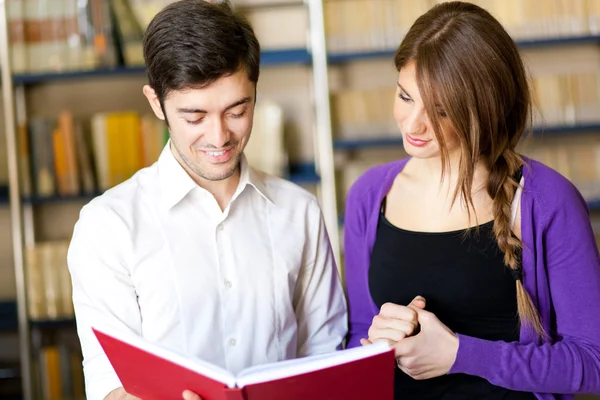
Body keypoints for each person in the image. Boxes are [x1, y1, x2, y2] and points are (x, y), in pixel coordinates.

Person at [67, 1, 347, 399]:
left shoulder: (299, 211)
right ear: (156, 103)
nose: (219, 137)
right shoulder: (108, 226)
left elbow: (324, 354)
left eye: (237, 110)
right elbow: (108, 381)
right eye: (194, 117)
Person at [344, 1, 600, 399]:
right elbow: (359, 336)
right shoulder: (370, 195)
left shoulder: (547, 201)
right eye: (406, 96)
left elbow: (592, 362)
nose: (413, 125)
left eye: (442, 111)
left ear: (483, 110)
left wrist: (461, 355)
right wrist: (376, 345)